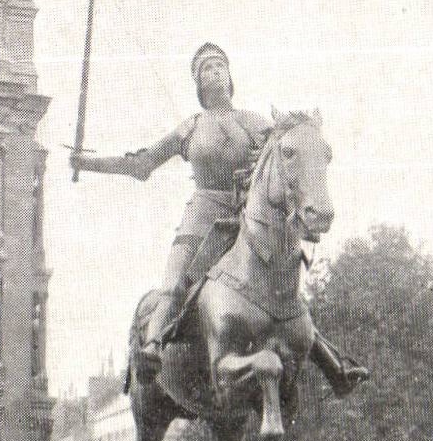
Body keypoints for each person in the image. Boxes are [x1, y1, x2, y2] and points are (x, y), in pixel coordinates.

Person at [72, 43, 368, 394]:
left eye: (219, 66)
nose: (214, 72)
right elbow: (141, 164)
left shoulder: (257, 123)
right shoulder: (190, 128)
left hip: (247, 217)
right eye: (205, 69)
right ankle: (151, 349)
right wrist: (89, 163)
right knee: (175, 282)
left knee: (285, 291)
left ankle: (335, 367)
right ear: (198, 83)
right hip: (202, 218)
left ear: (230, 76)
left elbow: (290, 154)